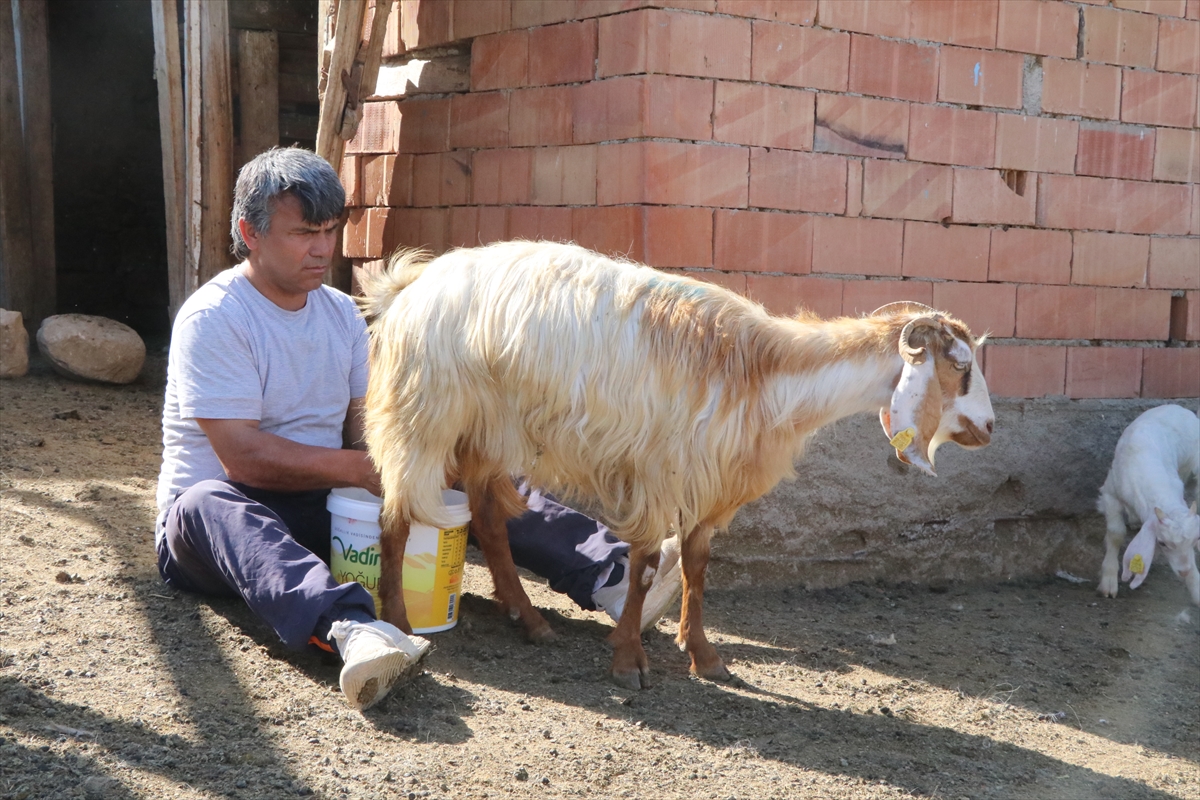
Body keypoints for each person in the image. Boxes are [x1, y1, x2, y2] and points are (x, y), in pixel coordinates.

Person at [154, 147, 681, 712]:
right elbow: (243, 458)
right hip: (216, 530)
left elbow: (366, 427)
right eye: (303, 233)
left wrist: (427, 454)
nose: (323, 249)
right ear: (249, 233)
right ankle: (354, 630)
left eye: (330, 231)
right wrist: (367, 468)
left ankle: (610, 573)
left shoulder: (339, 313)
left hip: (324, 506)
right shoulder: (216, 318)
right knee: (208, 501)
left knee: (470, 466)